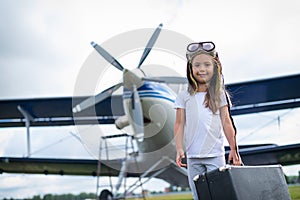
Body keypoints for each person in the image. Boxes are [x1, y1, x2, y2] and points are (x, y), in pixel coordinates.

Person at [174, 41, 242, 199]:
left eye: (206, 64)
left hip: (215, 155)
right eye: (197, 65)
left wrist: (234, 149)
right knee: (198, 195)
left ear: (215, 68)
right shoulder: (184, 96)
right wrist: (178, 148)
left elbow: (227, 122)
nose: (202, 69)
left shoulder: (219, 95)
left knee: (219, 194)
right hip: (193, 157)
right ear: (190, 69)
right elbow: (179, 123)